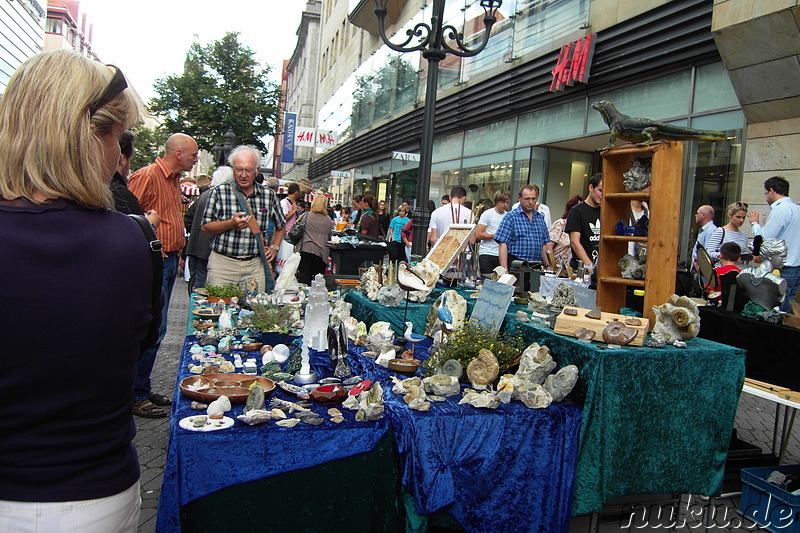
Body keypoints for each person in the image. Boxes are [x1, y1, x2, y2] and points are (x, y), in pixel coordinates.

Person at [0, 50, 157, 531]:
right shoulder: (130, 241)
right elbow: (140, 345)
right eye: (117, 138)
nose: (118, 155)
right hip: (96, 493)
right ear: (89, 137)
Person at [128, 132, 199, 417]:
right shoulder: (147, 176)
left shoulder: (172, 179)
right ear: (179, 154)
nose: (196, 160)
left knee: (158, 328)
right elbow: (127, 218)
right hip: (153, 261)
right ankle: (133, 395)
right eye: (193, 155)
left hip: (169, 260)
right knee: (150, 329)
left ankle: (141, 389)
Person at [201, 146, 286, 292]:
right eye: (239, 169)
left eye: (248, 170)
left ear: (257, 170)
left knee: (254, 312)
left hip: (255, 265)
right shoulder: (219, 192)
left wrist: (274, 248)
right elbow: (205, 227)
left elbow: (281, 226)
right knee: (218, 309)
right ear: (233, 169)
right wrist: (231, 223)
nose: (243, 175)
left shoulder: (268, 195)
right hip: (223, 265)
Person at [748, 176, 800, 312]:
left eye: (765, 193)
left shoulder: (781, 209)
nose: (765, 197)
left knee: (779, 304)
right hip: (796, 265)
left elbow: (765, 238)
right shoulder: (797, 209)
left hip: (784, 265)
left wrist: (754, 223)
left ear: (771, 191)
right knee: (790, 301)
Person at [184, 167, 231, 292]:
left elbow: (188, 217)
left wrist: (194, 232)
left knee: (199, 283)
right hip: (211, 248)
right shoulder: (222, 196)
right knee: (209, 284)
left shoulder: (204, 195)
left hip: (197, 245)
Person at [495, 185, 554, 272]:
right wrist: (504, 270)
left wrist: (548, 266)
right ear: (519, 198)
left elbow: (544, 245)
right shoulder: (511, 217)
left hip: (535, 266)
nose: (530, 202)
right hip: (516, 265)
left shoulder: (540, 218)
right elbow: (502, 244)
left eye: (533, 199)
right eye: (527, 199)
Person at [109, 130, 160, 228]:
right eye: (130, 160)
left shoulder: (90, 188)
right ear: (122, 159)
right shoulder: (121, 196)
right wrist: (150, 225)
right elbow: (135, 236)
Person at [737, 238, 788, 312]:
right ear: (770, 256)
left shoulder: (743, 274)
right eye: (782, 256)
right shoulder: (779, 282)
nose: (785, 260)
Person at [566, 172, 603, 269]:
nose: (602, 195)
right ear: (591, 187)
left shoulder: (605, 212)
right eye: (600, 190)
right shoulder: (577, 211)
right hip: (581, 268)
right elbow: (574, 242)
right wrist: (589, 265)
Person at [297, 194, 335, 284]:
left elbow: (296, 226)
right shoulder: (328, 220)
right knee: (318, 280)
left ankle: (303, 295)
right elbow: (331, 233)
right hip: (321, 252)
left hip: (305, 248)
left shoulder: (306, 216)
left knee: (304, 278)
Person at [476, 189, 511, 277]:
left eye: (507, 202)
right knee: (487, 281)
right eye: (502, 202)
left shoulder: (508, 216)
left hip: (502, 255)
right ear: (496, 201)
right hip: (487, 253)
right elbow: (478, 234)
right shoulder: (487, 214)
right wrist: (495, 236)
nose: (505, 205)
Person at [706, 201, 752, 266]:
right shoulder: (721, 231)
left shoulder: (744, 236)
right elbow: (709, 253)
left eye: (743, 218)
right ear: (730, 216)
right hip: (721, 271)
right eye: (738, 217)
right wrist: (725, 255)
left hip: (737, 271)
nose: (741, 220)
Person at [548, 195, 583, 268]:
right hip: (557, 268)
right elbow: (548, 246)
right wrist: (551, 265)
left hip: (573, 269)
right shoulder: (561, 224)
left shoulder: (582, 228)